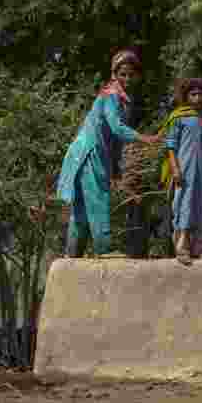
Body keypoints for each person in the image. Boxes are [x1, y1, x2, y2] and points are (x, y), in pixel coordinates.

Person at [57, 49, 161, 257]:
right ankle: (103, 250)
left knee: (82, 211)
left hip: (85, 153)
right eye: (123, 74)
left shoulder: (120, 100)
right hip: (90, 152)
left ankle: (72, 254)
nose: (127, 79)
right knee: (98, 199)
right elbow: (116, 128)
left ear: (138, 76)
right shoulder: (112, 96)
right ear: (114, 74)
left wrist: (115, 169)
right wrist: (144, 138)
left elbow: (114, 141)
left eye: (131, 74)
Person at [159, 77, 202, 265]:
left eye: (201, 94)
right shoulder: (179, 118)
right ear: (186, 97)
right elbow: (170, 146)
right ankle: (182, 248)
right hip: (185, 172)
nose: (197, 98)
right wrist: (175, 169)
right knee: (184, 207)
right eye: (193, 94)